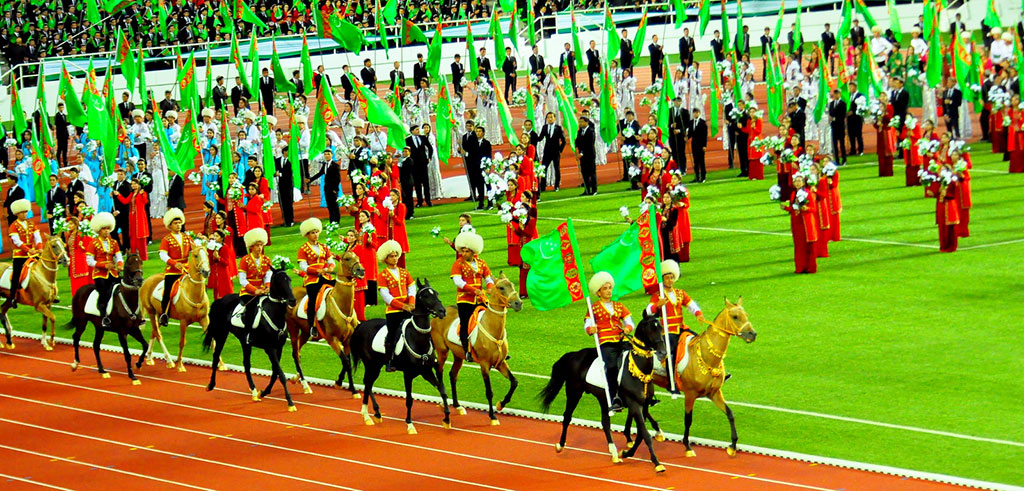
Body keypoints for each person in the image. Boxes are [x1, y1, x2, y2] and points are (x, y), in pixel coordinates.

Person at [645, 259, 705, 385]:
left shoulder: (680, 293)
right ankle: (672, 383)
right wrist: (657, 305)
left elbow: (691, 304)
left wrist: (698, 314)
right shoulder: (658, 295)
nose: (670, 280)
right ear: (663, 279)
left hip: (681, 328)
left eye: (672, 277)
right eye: (667, 278)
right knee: (671, 354)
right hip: (667, 331)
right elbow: (648, 311)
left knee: (700, 342)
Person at [584, 271, 634, 412]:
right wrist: (590, 329)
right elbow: (587, 324)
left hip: (621, 340)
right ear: (598, 292)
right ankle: (614, 399)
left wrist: (628, 328)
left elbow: (629, 321)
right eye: (604, 289)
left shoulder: (619, 306)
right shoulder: (594, 308)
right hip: (606, 343)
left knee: (639, 358)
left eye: (609, 288)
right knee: (612, 367)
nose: (608, 291)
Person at [451, 231, 494, 362]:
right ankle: (467, 351)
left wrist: (490, 288)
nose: (463, 254)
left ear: (473, 251)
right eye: (462, 251)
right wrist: (473, 290)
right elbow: (458, 281)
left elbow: (488, 278)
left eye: (466, 251)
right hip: (465, 300)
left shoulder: (481, 263)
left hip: (481, 299)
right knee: (465, 324)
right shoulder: (458, 264)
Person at [377, 239, 415, 372]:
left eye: (396, 256)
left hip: (408, 308)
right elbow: (385, 295)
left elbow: (412, 287)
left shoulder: (404, 272)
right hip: (393, 311)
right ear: (385, 259)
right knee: (392, 335)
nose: (394, 259)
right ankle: (389, 360)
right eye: (391, 256)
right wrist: (402, 306)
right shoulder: (382, 275)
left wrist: (411, 302)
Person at [297, 217, 336, 337]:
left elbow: (331, 261)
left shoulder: (324, 247)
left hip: (327, 276)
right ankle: (312, 326)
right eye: (312, 233)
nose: (315, 235)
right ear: (307, 234)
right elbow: (303, 266)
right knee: (313, 301)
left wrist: (331, 268)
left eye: (316, 232)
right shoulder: (303, 249)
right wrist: (316, 270)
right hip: (312, 279)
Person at [3, 199, 42, 310]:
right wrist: (28, 250)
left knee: (45, 268)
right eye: (22, 212)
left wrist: (39, 248)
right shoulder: (13, 226)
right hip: (20, 255)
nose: (25, 214)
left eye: (26, 212)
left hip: (32, 254)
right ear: (17, 214)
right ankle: (12, 297)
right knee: (16, 275)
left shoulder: (31, 224)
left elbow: (37, 237)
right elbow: (16, 241)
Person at [86, 212, 122, 326]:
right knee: (104, 293)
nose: (106, 231)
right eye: (104, 229)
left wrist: (120, 264)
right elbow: (89, 260)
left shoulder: (114, 242)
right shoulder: (93, 243)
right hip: (100, 274)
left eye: (108, 229)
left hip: (113, 272)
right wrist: (104, 265)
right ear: (99, 230)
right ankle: (103, 316)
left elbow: (118, 255)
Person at [156, 208, 190, 326]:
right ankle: (164, 314)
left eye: (179, 223)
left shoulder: (186, 237)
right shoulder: (166, 239)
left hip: (187, 269)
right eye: (175, 223)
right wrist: (174, 263)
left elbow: (195, 248)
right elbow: (162, 255)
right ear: (170, 225)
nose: (178, 225)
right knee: (168, 292)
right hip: (172, 271)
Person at [784, 173, 818, 274]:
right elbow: (793, 208)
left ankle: (811, 267)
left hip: (806, 222)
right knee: (799, 246)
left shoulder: (808, 193)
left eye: (799, 181)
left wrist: (806, 208)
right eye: (796, 181)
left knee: (808, 246)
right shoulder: (793, 194)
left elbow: (814, 209)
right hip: (796, 222)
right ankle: (800, 267)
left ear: (803, 183)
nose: (797, 183)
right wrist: (785, 208)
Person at [115, 178, 150, 260]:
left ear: (138, 185)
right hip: (132, 216)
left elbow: (145, 202)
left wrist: (142, 195)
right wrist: (118, 195)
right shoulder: (132, 194)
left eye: (135, 184)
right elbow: (125, 201)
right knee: (133, 235)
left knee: (141, 236)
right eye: (132, 184)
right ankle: (134, 254)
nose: (133, 185)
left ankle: (143, 256)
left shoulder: (142, 193)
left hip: (140, 216)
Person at [237, 227, 272, 303]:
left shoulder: (267, 259)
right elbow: (242, 279)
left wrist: (268, 286)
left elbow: (268, 276)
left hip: (263, 290)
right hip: (247, 292)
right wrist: (254, 290)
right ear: (251, 246)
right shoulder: (245, 260)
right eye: (257, 245)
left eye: (261, 245)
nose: (260, 248)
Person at [65, 217, 93, 296]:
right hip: (73, 261)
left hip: (80, 260)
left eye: (71, 224)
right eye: (69, 224)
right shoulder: (70, 235)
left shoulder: (81, 235)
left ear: (76, 225)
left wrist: (82, 247)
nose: (69, 225)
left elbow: (88, 248)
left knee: (81, 280)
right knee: (74, 281)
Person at [936, 164, 960, 253]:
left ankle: (951, 246)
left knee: (950, 226)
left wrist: (946, 194)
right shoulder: (939, 181)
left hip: (949, 204)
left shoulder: (952, 181)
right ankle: (943, 245)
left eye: (943, 169)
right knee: (942, 226)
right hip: (941, 205)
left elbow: (953, 193)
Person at [208, 229, 236, 298]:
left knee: (224, 292)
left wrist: (218, 258)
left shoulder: (225, 248)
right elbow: (211, 262)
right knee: (216, 293)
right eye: (214, 236)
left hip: (223, 274)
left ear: (222, 238)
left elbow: (226, 262)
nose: (214, 238)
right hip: (215, 273)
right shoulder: (212, 248)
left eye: (217, 236)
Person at [576, 116, 597, 196]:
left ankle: (594, 190)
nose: (580, 123)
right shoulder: (580, 131)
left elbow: (589, 144)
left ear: (587, 122)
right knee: (584, 173)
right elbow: (578, 142)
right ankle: (587, 189)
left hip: (589, 155)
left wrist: (581, 153)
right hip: (583, 156)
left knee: (592, 173)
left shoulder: (591, 131)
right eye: (579, 122)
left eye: (582, 121)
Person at [828, 90, 848, 165]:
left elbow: (842, 114)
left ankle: (844, 159)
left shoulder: (843, 104)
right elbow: (831, 113)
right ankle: (837, 160)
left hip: (840, 126)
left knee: (842, 144)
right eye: (834, 94)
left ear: (840, 94)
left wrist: (834, 116)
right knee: (835, 144)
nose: (835, 95)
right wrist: (834, 114)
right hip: (834, 126)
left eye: (837, 94)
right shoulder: (831, 103)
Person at [689, 108, 708, 183]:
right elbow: (690, 132)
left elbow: (705, 135)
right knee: (695, 161)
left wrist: (704, 145)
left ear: (699, 113)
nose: (695, 114)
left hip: (701, 144)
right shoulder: (691, 122)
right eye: (694, 113)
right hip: (694, 144)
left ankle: (703, 176)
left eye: (696, 112)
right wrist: (687, 136)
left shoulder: (703, 123)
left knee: (701, 161)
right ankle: (696, 176)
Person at [847, 83, 865, 155]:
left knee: (858, 134)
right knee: (851, 135)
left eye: (851, 87)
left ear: (855, 87)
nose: (850, 88)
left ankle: (860, 150)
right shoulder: (848, 96)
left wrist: (853, 112)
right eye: (849, 87)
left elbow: (861, 107)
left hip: (857, 118)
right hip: (850, 119)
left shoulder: (860, 96)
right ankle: (853, 150)